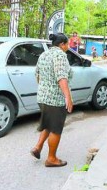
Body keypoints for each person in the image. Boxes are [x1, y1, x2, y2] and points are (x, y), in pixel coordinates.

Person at [31, 33, 74, 167]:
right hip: (55, 99)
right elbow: (61, 77)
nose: (68, 46)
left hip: (42, 96)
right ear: (62, 44)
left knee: (49, 123)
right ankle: (51, 158)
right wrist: (68, 98)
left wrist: (44, 89)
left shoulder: (44, 54)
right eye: (67, 44)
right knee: (56, 128)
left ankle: (37, 147)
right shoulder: (60, 55)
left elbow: (37, 75)